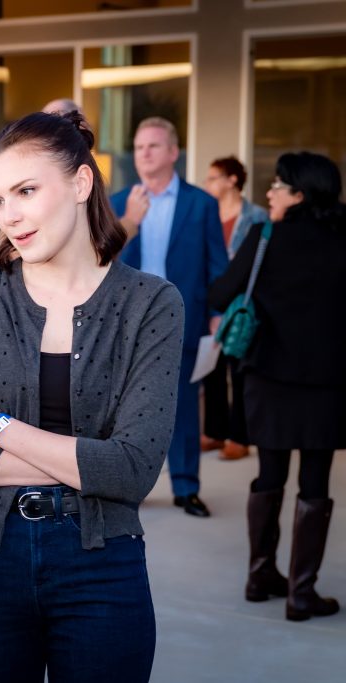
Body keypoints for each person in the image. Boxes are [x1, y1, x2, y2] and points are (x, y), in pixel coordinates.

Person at [0, 111, 183, 682]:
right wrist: (85, 462)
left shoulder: (151, 304)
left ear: (81, 184)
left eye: (26, 190)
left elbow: (133, 470)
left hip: (101, 565)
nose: (9, 215)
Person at [209, 151, 346, 622]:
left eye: (279, 185)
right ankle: (301, 594)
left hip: (267, 379)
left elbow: (220, 293)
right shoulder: (342, 240)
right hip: (328, 383)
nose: (269, 192)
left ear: (300, 194)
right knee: (314, 482)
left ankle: (260, 575)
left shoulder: (264, 237)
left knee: (269, 475)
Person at [111, 116, 228, 517]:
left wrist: (216, 313)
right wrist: (131, 220)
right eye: (139, 146)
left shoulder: (201, 203)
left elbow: (218, 266)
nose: (143, 153)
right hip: (128, 322)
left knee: (182, 405)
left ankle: (186, 486)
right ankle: (128, 485)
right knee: (129, 408)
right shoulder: (119, 202)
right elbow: (102, 264)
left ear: (174, 153)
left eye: (153, 146)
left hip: (183, 318)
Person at [200, 156, 269, 460]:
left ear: (231, 180)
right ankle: (215, 431)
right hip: (213, 297)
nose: (208, 183)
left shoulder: (256, 216)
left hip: (243, 301)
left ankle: (240, 437)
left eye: (214, 177)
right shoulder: (206, 212)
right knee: (211, 368)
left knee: (239, 368)